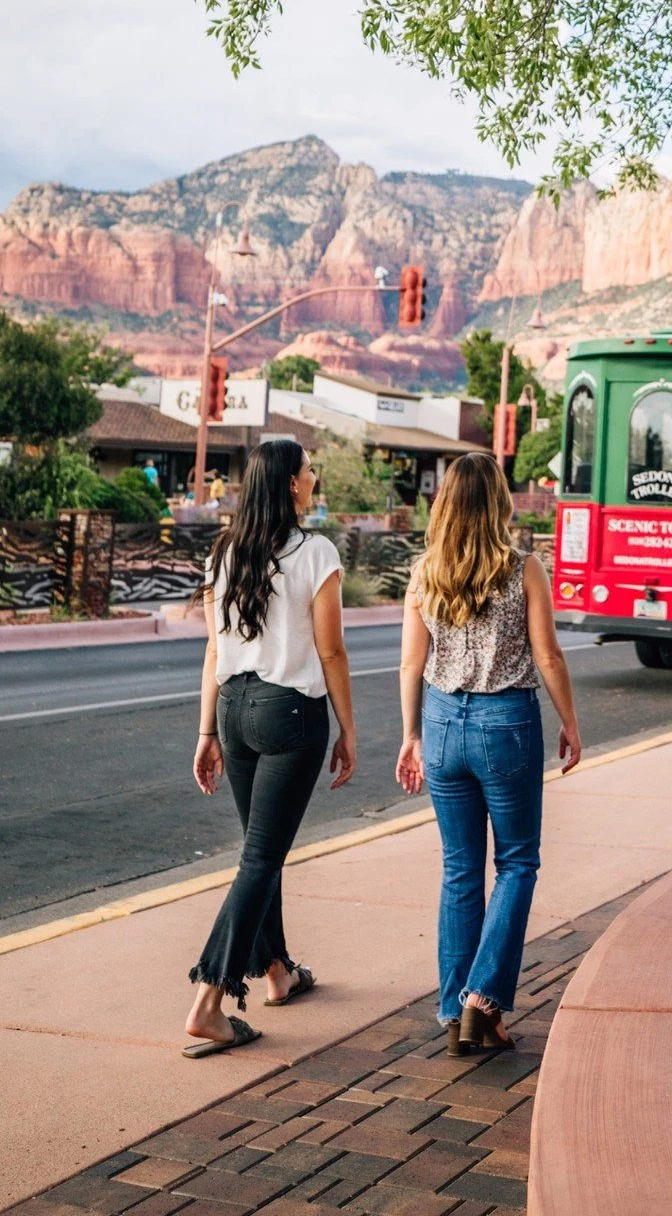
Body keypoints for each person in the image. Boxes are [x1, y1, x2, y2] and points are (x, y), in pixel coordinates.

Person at [396, 451, 581, 1057]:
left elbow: (411, 664)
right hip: (505, 724)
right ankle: (483, 999)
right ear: (499, 501)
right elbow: (548, 655)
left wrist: (412, 736)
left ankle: (457, 1014)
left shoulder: (425, 572)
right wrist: (570, 722)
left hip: (441, 723)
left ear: (444, 503)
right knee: (518, 863)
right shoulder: (524, 568)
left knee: (460, 869)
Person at [183, 438, 357, 1057]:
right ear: (290, 482)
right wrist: (349, 728)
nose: (314, 477)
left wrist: (207, 732)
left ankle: (278, 972)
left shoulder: (224, 552)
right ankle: (209, 1001)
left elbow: (215, 650)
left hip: (233, 709)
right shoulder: (315, 551)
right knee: (261, 856)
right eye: (309, 469)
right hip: (289, 714)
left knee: (263, 849)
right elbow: (331, 650)